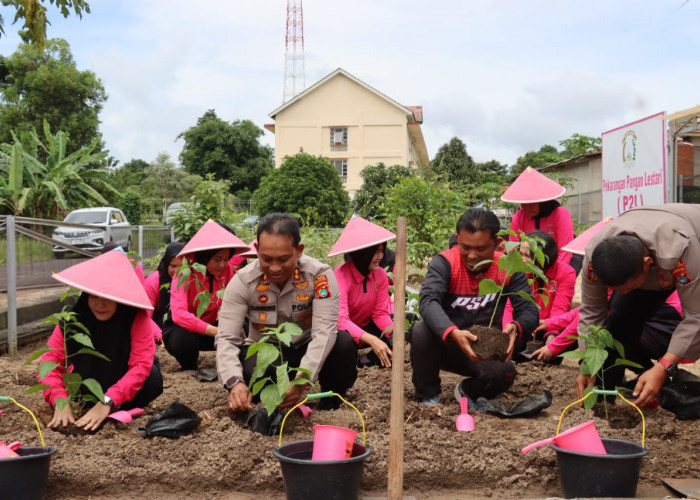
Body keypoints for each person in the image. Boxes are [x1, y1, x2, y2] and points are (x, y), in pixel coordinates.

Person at [216, 213, 358, 412]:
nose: (274, 267)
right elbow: (227, 339)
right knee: (253, 365)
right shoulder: (243, 282)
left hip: (307, 346)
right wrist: (234, 382)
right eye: (266, 259)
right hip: (269, 351)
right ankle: (270, 403)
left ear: (299, 251)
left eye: (283, 259)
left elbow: (324, 333)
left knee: (343, 344)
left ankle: (332, 399)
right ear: (256, 250)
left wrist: (302, 381)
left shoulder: (319, 276)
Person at [410, 208, 539, 405]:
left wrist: (517, 326)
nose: (471, 255)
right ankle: (428, 394)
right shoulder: (445, 263)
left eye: (480, 249)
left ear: (497, 244)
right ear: (457, 239)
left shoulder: (509, 267)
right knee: (421, 331)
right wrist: (452, 332)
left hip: (483, 348)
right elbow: (428, 301)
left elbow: (529, 311)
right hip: (447, 344)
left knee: (505, 375)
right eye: (465, 247)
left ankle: (467, 392)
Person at [577, 203, 700, 407]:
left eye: (629, 286)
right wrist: (587, 363)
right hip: (654, 263)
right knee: (618, 323)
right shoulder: (594, 258)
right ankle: (602, 402)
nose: (624, 293)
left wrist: (663, 367)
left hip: (693, 248)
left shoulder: (679, 248)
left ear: (646, 263)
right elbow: (591, 313)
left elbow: (696, 316)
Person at [39, 251, 163, 430]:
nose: (100, 304)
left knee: (152, 378)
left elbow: (141, 365)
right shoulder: (73, 320)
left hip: (121, 382)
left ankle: (119, 409)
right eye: (94, 296)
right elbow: (49, 362)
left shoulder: (136, 317)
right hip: (85, 384)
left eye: (108, 298)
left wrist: (107, 401)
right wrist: (60, 400)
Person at [163, 220, 248, 370]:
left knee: (245, 326)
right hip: (190, 330)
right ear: (205, 256)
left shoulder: (227, 271)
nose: (222, 265)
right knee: (181, 340)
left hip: (216, 327)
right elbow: (179, 314)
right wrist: (216, 331)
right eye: (217, 259)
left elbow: (236, 298)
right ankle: (189, 367)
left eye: (226, 259)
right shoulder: (185, 272)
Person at [328, 216, 395, 368]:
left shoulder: (380, 275)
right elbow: (342, 321)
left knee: (395, 326)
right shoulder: (339, 278)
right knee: (343, 341)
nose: (381, 257)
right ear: (362, 253)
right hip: (345, 331)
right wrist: (372, 340)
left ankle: (368, 360)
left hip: (366, 325)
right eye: (376, 252)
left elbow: (380, 313)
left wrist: (394, 335)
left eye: (382, 251)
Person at [501, 166, 580, 274]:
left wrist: (547, 275)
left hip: (557, 263)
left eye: (532, 203)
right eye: (523, 203)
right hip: (528, 264)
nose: (527, 207)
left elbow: (565, 251)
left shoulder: (560, 214)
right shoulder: (519, 217)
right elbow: (513, 249)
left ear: (542, 201)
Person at [502, 230, 576, 341]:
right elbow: (509, 306)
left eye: (527, 255)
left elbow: (560, 308)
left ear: (544, 256)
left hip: (548, 326)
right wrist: (508, 331)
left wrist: (552, 335)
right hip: (522, 325)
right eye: (520, 254)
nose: (522, 260)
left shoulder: (566, 273)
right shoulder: (518, 270)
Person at [143, 241, 184, 335]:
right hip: (157, 321)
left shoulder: (189, 280)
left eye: (181, 267)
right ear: (166, 265)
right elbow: (145, 317)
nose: (177, 271)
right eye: (173, 266)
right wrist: (160, 336)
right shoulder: (153, 283)